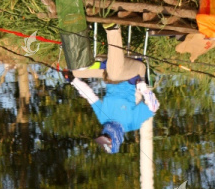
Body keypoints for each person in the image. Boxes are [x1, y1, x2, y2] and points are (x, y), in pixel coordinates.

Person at [68, 26, 159, 154]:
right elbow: (154, 106)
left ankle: (79, 28)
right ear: (116, 139)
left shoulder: (103, 118)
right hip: (134, 73)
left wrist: (73, 80)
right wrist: (144, 89)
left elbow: (90, 96)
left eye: (103, 135)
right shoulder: (132, 123)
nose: (104, 132)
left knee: (76, 71)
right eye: (107, 136)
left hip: (109, 74)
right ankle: (113, 28)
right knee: (115, 73)